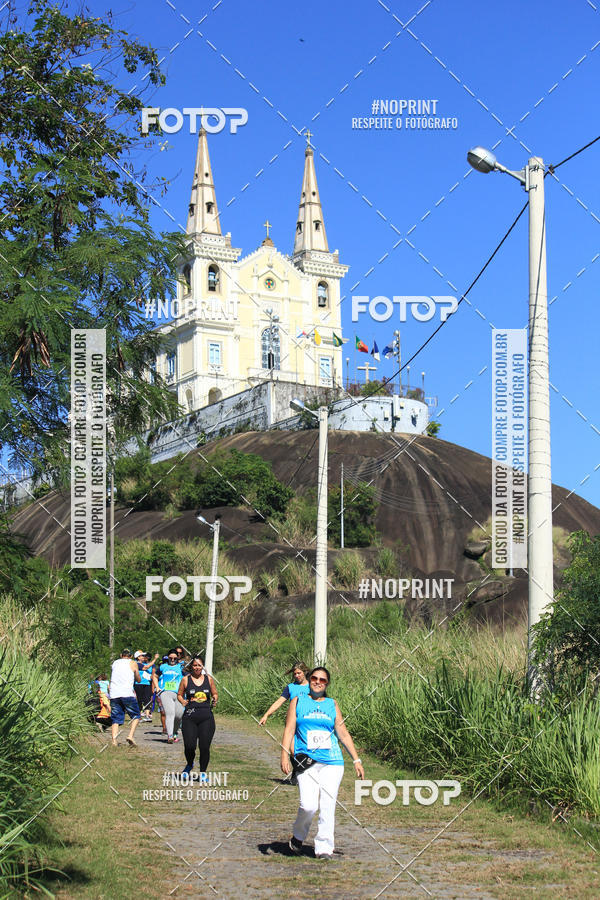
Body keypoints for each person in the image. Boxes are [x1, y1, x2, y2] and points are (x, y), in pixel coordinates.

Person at [280, 666, 365, 859]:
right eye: (315, 678)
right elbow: (289, 729)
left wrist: (356, 760)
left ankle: (324, 848)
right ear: (309, 680)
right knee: (308, 805)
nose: (318, 682)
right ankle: (298, 836)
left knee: (328, 803)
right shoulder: (297, 701)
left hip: (332, 761)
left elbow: (342, 732)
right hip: (306, 761)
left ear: (327, 684)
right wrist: (284, 754)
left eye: (323, 680)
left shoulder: (332, 704)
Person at [177, 655, 218, 778]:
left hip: (206, 717)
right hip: (190, 717)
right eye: (194, 665)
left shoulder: (208, 679)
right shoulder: (185, 680)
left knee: (204, 746)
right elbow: (179, 694)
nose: (197, 667)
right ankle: (189, 764)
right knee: (190, 746)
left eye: (199, 665)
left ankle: (203, 772)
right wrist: (183, 701)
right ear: (191, 666)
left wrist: (215, 698)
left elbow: (214, 693)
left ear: (202, 666)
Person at [109, 649, 142, 747]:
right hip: (127, 693)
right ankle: (130, 735)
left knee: (115, 718)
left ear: (121, 655)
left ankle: (114, 740)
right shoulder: (133, 663)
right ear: (131, 656)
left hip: (114, 693)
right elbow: (138, 679)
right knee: (136, 716)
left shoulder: (115, 663)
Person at [152, 649, 185, 743]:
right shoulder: (163, 667)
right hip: (165, 692)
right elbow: (155, 676)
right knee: (170, 713)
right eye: (171, 658)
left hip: (179, 694)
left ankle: (174, 732)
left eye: (175, 658)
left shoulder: (181, 667)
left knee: (179, 716)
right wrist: (157, 687)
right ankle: (169, 735)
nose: (173, 660)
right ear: (168, 658)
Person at [135, 653, 158, 722]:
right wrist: (155, 659)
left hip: (147, 683)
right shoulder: (137, 664)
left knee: (147, 699)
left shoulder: (151, 665)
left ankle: (147, 715)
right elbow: (146, 667)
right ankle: (138, 715)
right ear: (138, 657)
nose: (143, 657)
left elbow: (153, 674)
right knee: (139, 699)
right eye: (142, 656)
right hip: (139, 683)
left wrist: (153, 685)